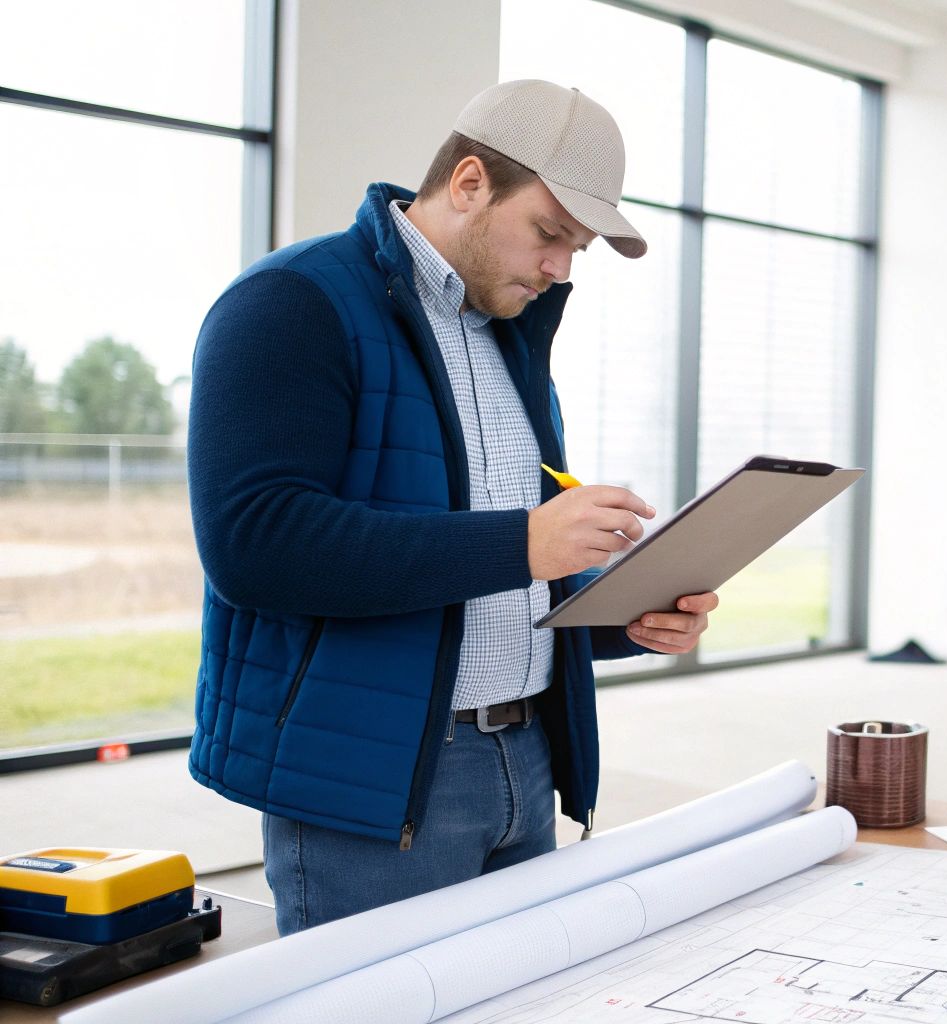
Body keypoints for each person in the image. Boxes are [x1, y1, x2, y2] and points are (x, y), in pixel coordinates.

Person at [185, 80, 716, 934]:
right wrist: (526, 542)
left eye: (576, 249)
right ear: (468, 183)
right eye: (550, 234)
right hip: (378, 783)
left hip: (525, 764)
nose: (559, 269)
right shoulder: (290, 304)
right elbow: (258, 544)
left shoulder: (511, 337)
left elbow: (498, 571)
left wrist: (623, 617)